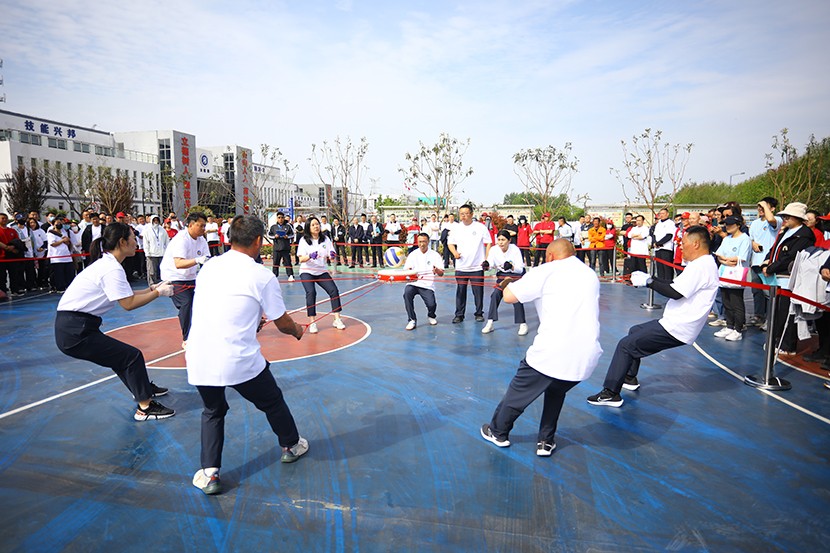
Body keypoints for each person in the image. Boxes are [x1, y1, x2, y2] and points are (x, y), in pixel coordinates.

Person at [186, 215, 307, 495]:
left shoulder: (210, 267)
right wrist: (297, 330)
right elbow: (282, 322)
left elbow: (222, 307)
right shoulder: (261, 275)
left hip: (200, 355)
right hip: (238, 358)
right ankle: (290, 445)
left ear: (230, 238)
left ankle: (210, 473)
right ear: (257, 241)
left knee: (213, 411)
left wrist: (252, 321)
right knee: (272, 401)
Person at [480, 239, 602, 456]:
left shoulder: (546, 271)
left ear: (550, 256)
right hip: (586, 356)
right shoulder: (589, 273)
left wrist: (506, 283)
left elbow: (509, 297)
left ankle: (498, 431)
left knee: (519, 392)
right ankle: (546, 440)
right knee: (556, 389)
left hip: (552, 351)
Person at [54, 222, 175, 421]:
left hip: (75, 327)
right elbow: (128, 303)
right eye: (133, 238)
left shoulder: (108, 264)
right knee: (131, 356)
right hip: (75, 331)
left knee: (120, 359)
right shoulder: (111, 269)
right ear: (122, 242)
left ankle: (142, 389)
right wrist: (158, 294)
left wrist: (153, 289)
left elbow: (126, 294)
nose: (136, 242)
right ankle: (145, 408)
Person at [587, 226, 719, 407]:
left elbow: (675, 292)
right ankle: (629, 377)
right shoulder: (701, 263)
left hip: (678, 327)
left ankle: (611, 393)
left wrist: (649, 282)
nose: (680, 247)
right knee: (635, 331)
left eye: (683, 243)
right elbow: (674, 283)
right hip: (674, 322)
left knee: (625, 346)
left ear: (696, 244)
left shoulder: (701, 266)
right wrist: (648, 278)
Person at [759, 202, 816, 356]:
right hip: (778, 278)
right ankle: (777, 340)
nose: (785, 219)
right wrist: (765, 263)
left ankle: (788, 345)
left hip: (790, 279)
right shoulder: (786, 231)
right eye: (784, 216)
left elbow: (791, 257)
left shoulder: (804, 235)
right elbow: (774, 249)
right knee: (778, 312)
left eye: (788, 216)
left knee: (788, 313)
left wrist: (771, 268)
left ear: (798, 218)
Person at [160, 212, 210, 348]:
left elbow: (207, 260)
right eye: (201, 225)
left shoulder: (202, 240)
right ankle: (187, 338)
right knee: (186, 302)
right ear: (191, 225)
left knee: (202, 301)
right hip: (174, 277)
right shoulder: (181, 239)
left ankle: (200, 332)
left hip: (191, 276)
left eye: (204, 226)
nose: (203, 229)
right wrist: (197, 260)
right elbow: (178, 263)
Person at [297, 216, 346, 334]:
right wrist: (309, 256)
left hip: (321, 271)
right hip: (307, 271)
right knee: (311, 292)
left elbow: (331, 254)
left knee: (333, 290)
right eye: (313, 225)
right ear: (308, 227)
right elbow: (301, 259)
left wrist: (332, 255)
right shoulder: (304, 240)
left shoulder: (326, 239)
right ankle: (312, 322)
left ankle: (337, 319)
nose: (316, 226)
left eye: (317, 224)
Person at [447, 204, 492, 323]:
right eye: (461, 214)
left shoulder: (480, 227)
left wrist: (486, 259)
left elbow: (488, 242)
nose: (464, 216)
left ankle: (479, 313)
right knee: (460, 292)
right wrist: (455, 253)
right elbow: (450, 243)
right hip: (461, 266)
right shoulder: (456, 228)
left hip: (477, 266)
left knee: (478, 292)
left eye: (466, 213)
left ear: (471, 214)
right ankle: (459, 314)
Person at [482, 230, 528, 336]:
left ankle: (523, 324)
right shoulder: (494, 250)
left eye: (503, 240)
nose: (500, 242)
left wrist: (511, 267)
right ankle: (490, 323)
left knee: (515, 296)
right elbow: (490, 264)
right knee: (495, 295)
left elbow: (520, 269)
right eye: (498, 240)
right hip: (502, 276)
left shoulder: (515, 249)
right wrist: (486, 265)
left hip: (515, 276)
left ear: (509, 240)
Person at [714, 216, 752, 341]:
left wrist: (727, 260)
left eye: (730, 224)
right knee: (726, 301)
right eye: (726, 224)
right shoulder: (727, 239)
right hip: (724, 272)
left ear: (738, 225)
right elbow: (719, 254)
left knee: (736, 302)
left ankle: (738, 329)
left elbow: (741, 257)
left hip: (736, 274)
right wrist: (724, 261)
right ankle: (729, 326)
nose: (728, 227)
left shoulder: (745, 239)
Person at [402, 233, 445, 330]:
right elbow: (406, 270)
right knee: (407, 293)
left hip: (427, 285)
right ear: (417, 242)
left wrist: (437, 270)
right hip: (414, 283)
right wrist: (408, 272)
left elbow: (441, 273)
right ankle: (412, 320)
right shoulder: (413, 255)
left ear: (428, 242)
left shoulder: (435, 255)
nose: (422, 244)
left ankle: (431, 315)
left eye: (424, 241)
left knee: (432, 305)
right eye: (420, 242)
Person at [46, 216, 75, 292]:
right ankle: (60, 288)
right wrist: (62, 240)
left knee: (69, 273)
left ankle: (69, 286)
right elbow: (53, 244)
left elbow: (68, 242)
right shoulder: (51, 233)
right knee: (59, 274)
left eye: (60, 222)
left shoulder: (64, 232)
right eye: (57, 223)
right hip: (57, 257)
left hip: (66, 255)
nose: (59, 224)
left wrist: (66, 240)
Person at [268, 211, 295, 282]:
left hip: (285, 247)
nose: (280, 219)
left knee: (288, 262)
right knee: (275, 263)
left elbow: (293, 234)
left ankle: (290, 275)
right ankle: (274, 276)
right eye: (279, 217)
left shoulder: (288, 226)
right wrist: (275, 236)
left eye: (282, 217)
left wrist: (287, 236)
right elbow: (269, 235)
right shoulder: (273, 227)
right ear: (277, 218)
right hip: (276, 248)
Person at [143, 215, 169, 286]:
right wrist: (147, 253)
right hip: (151, 254)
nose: (156, 222)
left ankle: (164, 284)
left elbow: (167, 241)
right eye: (154, 220)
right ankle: (152, 284)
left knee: (163, 269)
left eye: (157, 220)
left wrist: (167, 251)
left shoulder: (163, 230)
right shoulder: (147, 230)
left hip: (162, 253)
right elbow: (146, 243)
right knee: (151, 271)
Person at [652, 208, 676, 281]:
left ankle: (668, 282)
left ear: (667, 214)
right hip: (657, 249)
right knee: (659, 267)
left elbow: (669, 235)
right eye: (660, 214)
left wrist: (659, 243)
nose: (661, 215)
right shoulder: (658, 224)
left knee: (667, 267)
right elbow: (654, 235)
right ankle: (661, 282)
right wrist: (654, 243)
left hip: (666, 248)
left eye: (663, 213)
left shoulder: (670, 223)